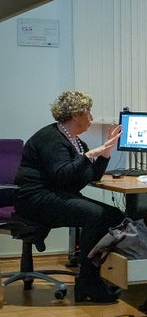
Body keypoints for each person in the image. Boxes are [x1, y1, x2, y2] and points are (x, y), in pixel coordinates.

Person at [14, 91, 125, 303]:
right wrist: (89, 155)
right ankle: (88, 281)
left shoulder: (77, 142)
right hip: (34, 198)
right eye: (88, 112)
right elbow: (62, 175)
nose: (91, 117)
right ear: (75, 114)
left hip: (54, 194)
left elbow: (91, 176)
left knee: (114, 215)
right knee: (96, 215)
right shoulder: (50, 139)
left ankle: (92, 277)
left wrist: (105, 152)